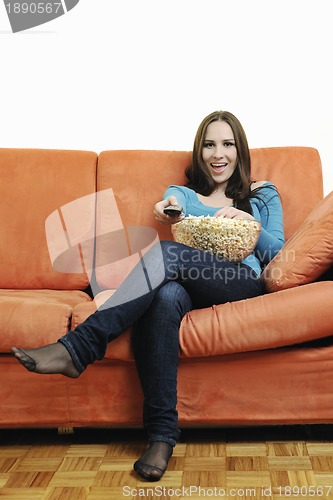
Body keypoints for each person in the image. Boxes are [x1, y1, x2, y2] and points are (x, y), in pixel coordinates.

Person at [11, 110, 285, 481]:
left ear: (240, 150)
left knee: (165, 254)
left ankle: (81, 347)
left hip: (240, 282)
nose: (217, 154)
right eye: (208, 145)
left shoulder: (261, 193)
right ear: (198, 152)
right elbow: (169, 201)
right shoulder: (187, 195)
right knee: (164, 297)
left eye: (227, 144)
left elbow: (277, 254)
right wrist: (166, 207)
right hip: (188, 285)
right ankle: (162, 436)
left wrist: (248, 221)